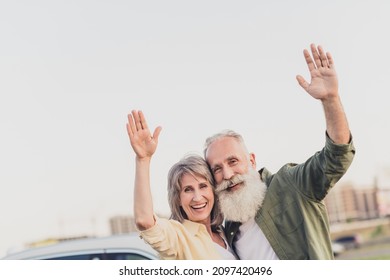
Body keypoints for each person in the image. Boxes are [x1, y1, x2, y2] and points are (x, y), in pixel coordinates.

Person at [203, 44, 356, 260]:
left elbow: (337, 157)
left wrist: (330, 99)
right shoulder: (228, 229)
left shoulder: (290, 184)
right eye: (217, 168)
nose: (227, 174)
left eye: (233, 161)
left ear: (252, 160)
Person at [126, 110, 236, 260]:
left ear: (213, 190)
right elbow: (144, 221)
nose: (197, 197)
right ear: (177, 198)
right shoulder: (178, 237)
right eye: (188, 190)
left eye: (203, 186)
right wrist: (143, 160)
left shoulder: (224, 232)